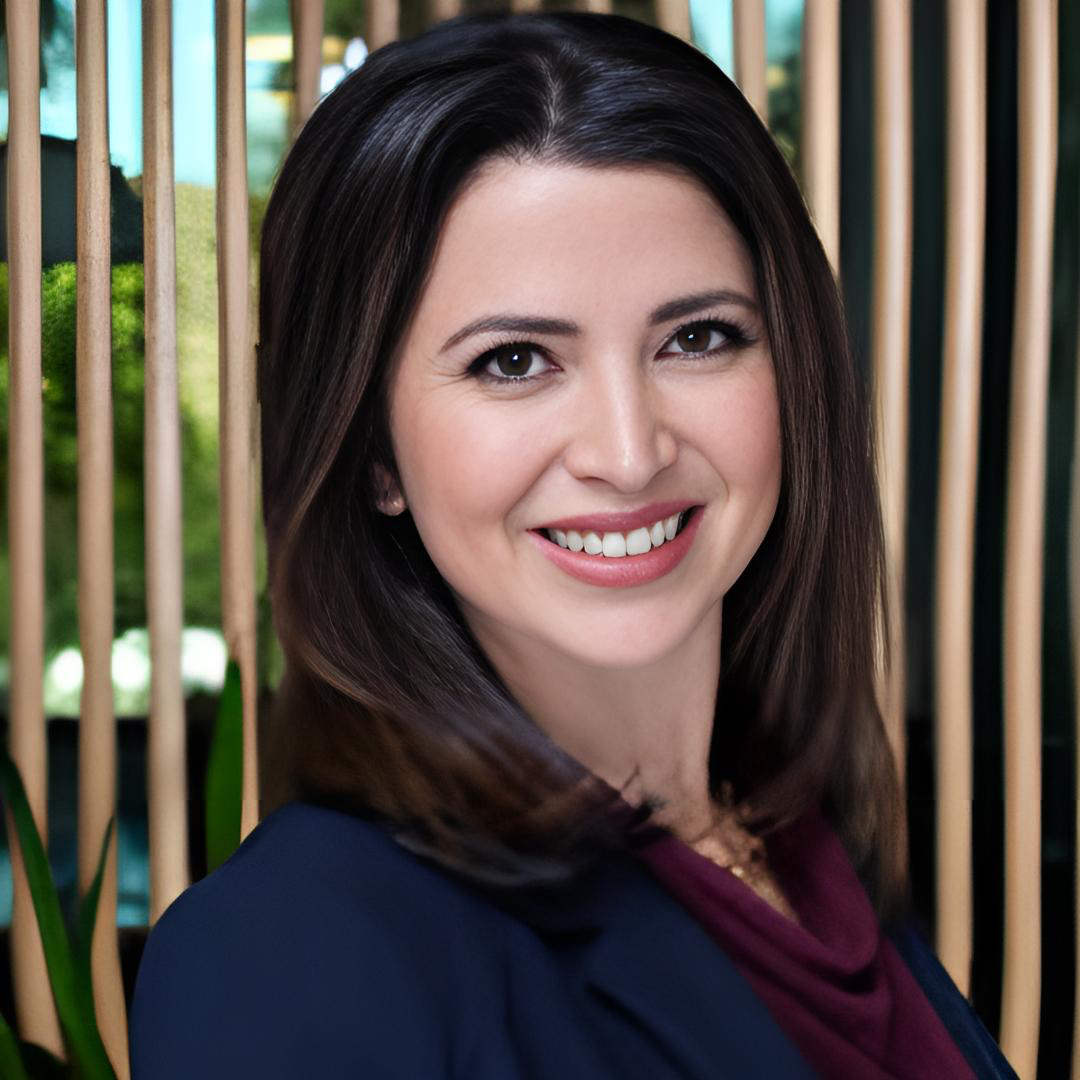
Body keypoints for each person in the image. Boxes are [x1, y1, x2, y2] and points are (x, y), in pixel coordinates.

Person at [128, 11, 1016, 1078]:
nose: (630, 453)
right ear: (373, 452)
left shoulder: (804, 850)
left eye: (699, 338)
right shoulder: (293, 951)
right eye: (514, 361)